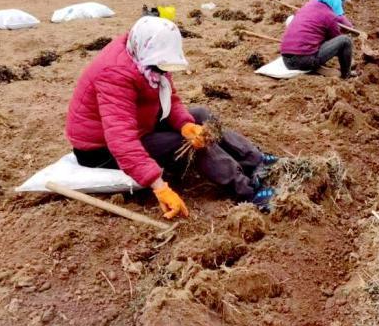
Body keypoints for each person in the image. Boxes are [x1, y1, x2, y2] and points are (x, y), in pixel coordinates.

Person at [65, 16, 277, 218]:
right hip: (101, 149)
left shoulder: (148, 57)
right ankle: (246, 191)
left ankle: (255, 160)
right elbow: (121, 139)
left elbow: (170, 100)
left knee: (201, 115)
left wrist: (185, 124)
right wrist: (159, 186)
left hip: (140, 121)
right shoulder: (115, 73)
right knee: (186, 145)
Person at [281, 0, 355, 79]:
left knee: (318, 37)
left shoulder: (307, 7)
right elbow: (336, 38)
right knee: (345, 41)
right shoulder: (329, 15)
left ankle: (315, 66)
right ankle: (346, 74)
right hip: (303, 60)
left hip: (286, 60)